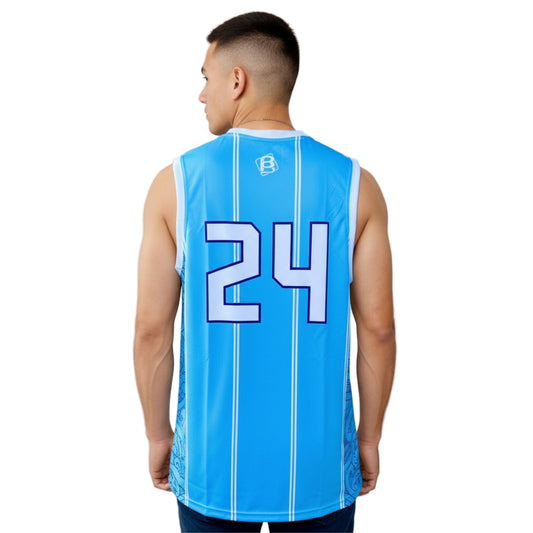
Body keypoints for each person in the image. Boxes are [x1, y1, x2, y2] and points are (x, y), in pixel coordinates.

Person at [133, 11, 396, 533]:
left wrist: (158, 436)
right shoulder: (355, 184)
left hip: (211, 466)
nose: (201, 94)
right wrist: (368, 439)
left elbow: (150, 332)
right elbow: (379, 330)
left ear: (237, 80)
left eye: (206, 77)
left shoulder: (176, 184)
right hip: (320, 467)